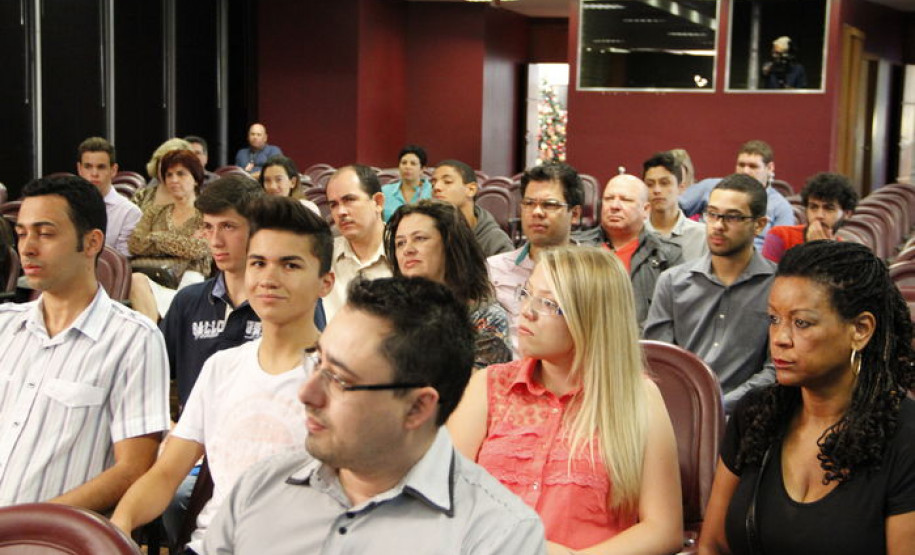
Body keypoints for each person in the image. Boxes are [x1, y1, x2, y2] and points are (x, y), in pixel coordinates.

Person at [203, 277, 546, 554]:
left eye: (338, 379)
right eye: (316, 361)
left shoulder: (496, 535)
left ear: (417, 407)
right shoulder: (262, 486)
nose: (306, 393)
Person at [112, 196, 334, 554]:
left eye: (290, 265)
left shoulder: (343, 378)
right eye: (258, 263)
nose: (268, 278)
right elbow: (166, 474)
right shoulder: (222, 367)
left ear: (325, 283)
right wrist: (118, 527)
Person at [449, 246, 682, 554]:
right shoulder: (488, 386)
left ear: (590, 317)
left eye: (547, 303)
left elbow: (663, 530)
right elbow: (444, 498)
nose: (526, 311)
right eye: (526, 293)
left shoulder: (638, 397)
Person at [699, 241, 915, 555]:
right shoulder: (757, 414)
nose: (780, 339)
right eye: (774, 319)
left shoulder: (905, 438)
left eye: (802, 323)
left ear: (860, 329)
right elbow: (713, 545)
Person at [0, 175, 169, 509]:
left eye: (46, 233)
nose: (28, 247)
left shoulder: (132, 340)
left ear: (92, 243)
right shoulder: (5, 325)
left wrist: (27, 527)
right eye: (21, 233)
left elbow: (133, 469)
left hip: (50, 539)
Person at [644, 174, 777, 410]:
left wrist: (720, 405)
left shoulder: (777, 286)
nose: (718, 225)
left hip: (747, 414)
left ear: (759, 225)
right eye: (712, 214)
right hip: (681, 412)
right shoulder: (673, 282)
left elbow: (775, 368)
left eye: (733, 217)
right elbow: (658, 361)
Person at [386, 200, 511, 370]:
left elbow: (476, 389)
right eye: (400, 243)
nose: (407, 249)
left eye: (419, 238)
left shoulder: (487, 318)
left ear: (450, 244)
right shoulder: (391, 311)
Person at [487, 161, 583, 353]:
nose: (537, 212)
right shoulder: (493, 269)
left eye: (549, 204)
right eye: (529, 204)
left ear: (575, 214)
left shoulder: (592, 274)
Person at [578, 174, 683, 328]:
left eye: (625, 200)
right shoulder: (577, 248)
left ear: (646, 210)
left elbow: (674, 317)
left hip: (641, 346)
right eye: (608, 198)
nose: (614, 206)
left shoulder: (667, 255)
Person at [128, 149, 211, 320]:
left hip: (190, 279)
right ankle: (153, 339)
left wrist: (155, 237)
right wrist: (180, 245)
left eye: (181, 174)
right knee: (136, 280)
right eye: (169, 175)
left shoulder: (207, 214)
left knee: (191, 282)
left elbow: (199, 249)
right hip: (155, 278)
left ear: (195, 178)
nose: (173, 180)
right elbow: (135, 244)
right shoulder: (154, 213)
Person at [678, 140, 795, 248]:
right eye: (741, 165)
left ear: (769, 168)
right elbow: (672, 209)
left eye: (753, 166)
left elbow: (783, 250)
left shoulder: (780, 207)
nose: (745, 171)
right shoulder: (710, 187)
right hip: (700, 252)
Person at [323, 164, 391, 323]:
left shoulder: (407, 255)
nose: (341, 212)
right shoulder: (322, 255)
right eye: (333, 205)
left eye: (349, 200)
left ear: (378, 202)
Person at [762, 172, 858, 263]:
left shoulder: (847, 253)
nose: (819, 215)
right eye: (813, 207)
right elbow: (769, 279)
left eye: (829, 208)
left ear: (847, 214)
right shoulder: (780, 236)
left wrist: (823, 252)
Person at [430, 159, 513, 256]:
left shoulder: (494, 240)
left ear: (471, 189)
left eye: (447, 182)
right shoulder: (430, 231)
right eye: (433, 183)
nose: (436, 187)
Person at [76, 136, 142, 256]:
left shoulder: (129, 212)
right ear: (79, 169)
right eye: (88, 167)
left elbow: (122, 263)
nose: (94, 173)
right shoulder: (67, 205)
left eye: (101, 167)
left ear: (113, 170)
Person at [642, 151, 707, 260]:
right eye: (650, 184)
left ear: (681, 187)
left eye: (664, 183)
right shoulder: (636, 233)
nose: (657, 190)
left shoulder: (702, 236)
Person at [133, 137, 194, 210]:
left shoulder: (199, 201)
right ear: (156, 165)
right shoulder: (141, 196)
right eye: (164, 163)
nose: (169, 170)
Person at [381, 144, 432, 221]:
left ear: (422, 169)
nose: (407, 167)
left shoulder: (431, 191)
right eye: (404, 163)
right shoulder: (385, 191)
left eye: (413, 163)